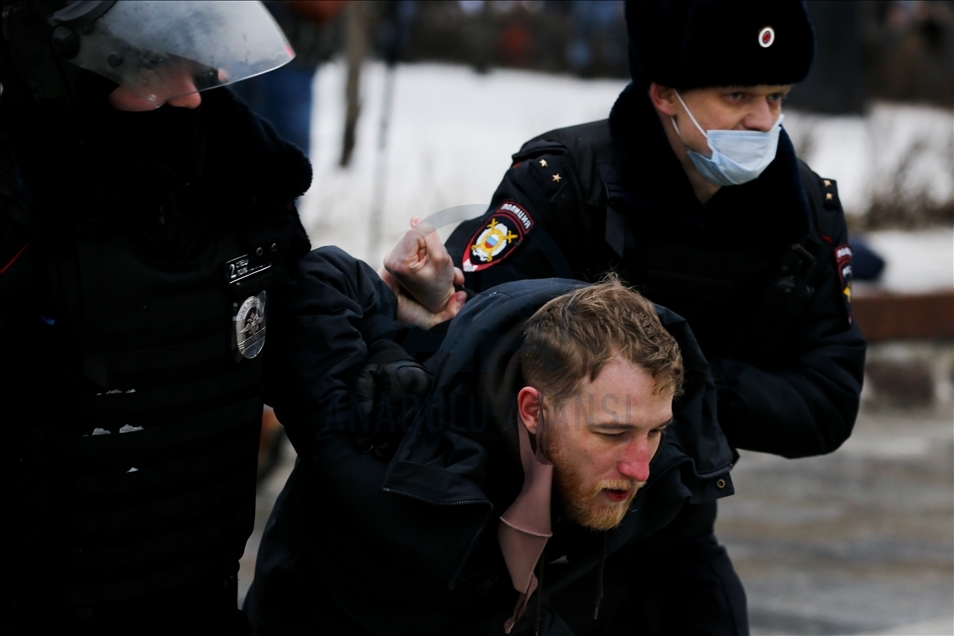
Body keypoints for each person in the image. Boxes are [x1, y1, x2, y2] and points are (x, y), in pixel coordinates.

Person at [442, 1, 867, 633]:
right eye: (736, 94)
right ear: (666, 94)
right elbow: (474, 356)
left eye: (777, 96)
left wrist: (681, 390)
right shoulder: (566, 183)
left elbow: (828, 399)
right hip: (534, 531)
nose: (763, 121)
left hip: (678, 527)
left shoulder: (802, 213)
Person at [0, 2, 313, 633]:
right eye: (153, 70)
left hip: (201, 592)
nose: (190, 99)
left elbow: (310, 349)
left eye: (193, 67)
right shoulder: (22, 210)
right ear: (69, 72)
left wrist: (395, 321)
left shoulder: (239, 175)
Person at [244, 236, 736, 634]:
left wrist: (448, 320)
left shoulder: (662, 477)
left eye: (655, 431)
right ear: (532, 410)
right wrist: (392, 326)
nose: (639, 467)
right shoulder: (380, 448)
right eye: (613, 432)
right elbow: (319, 277)